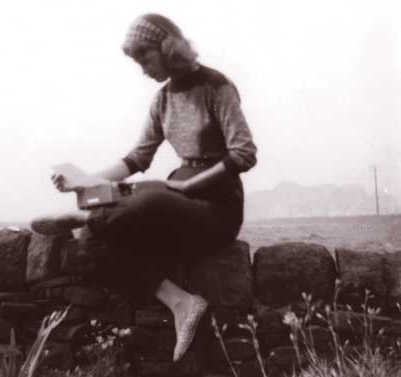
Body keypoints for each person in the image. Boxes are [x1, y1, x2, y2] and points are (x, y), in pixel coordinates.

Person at [32, 13, 257, 362]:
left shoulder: (217, 86)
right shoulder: (162, 99)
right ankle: (181, 302)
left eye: (145, 59)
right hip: (176, 198)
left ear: (167, 48)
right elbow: (137, 158)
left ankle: (85, 215)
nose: (143, 69)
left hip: (216, 205)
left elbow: (244, 153)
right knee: (93, 239)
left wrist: (187, 187)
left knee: (151, 195)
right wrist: (82, 179)